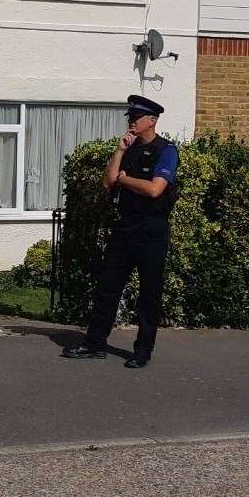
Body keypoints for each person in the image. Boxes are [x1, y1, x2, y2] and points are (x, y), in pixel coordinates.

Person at [61, 95, 179, 369]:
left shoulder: (166, 150)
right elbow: (108, 182)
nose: (131, 122)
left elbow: (155, 189)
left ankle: (142, 351)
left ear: (152, 121)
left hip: (152, 229)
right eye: (130, 118)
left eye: (136, 118)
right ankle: (94, 344)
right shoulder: (130, 148)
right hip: (125, 226)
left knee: (149, 294)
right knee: (107, 288)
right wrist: (118, 151)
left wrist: (126, 180)